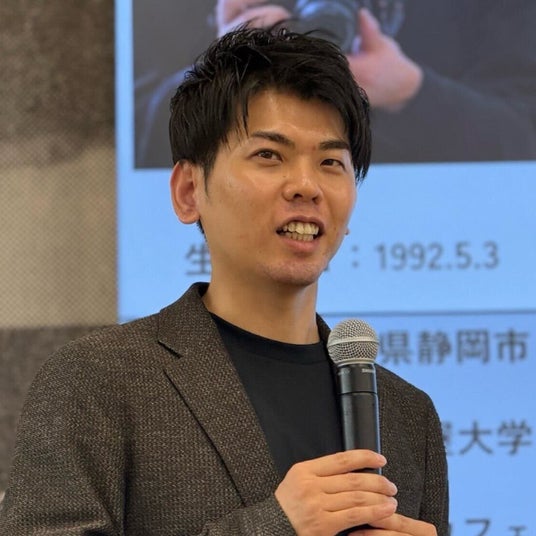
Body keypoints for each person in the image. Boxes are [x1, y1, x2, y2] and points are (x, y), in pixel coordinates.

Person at [0, 26, 448, 535]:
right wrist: (275, 526)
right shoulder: (99, 379)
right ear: (189, 191)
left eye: (330, 162)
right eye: (269, 155)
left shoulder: (408, 415)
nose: (306, 186)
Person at [135, 0, 536, 167]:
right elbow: (138, 145)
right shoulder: (175, 15)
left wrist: (412, 93)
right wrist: (227, 68)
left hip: (435, 229)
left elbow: (523, 135)